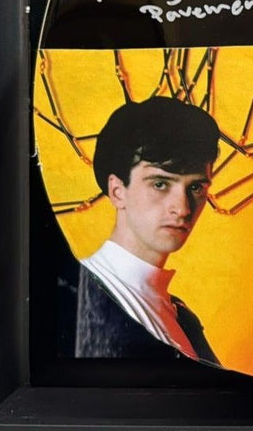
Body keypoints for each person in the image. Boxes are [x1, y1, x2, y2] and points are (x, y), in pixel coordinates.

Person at [75, 96, 220, 364]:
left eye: (196, 187)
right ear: (118, 191)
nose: (183, 208)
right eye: (160, 184)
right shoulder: (80, 300)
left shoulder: (182, 316)